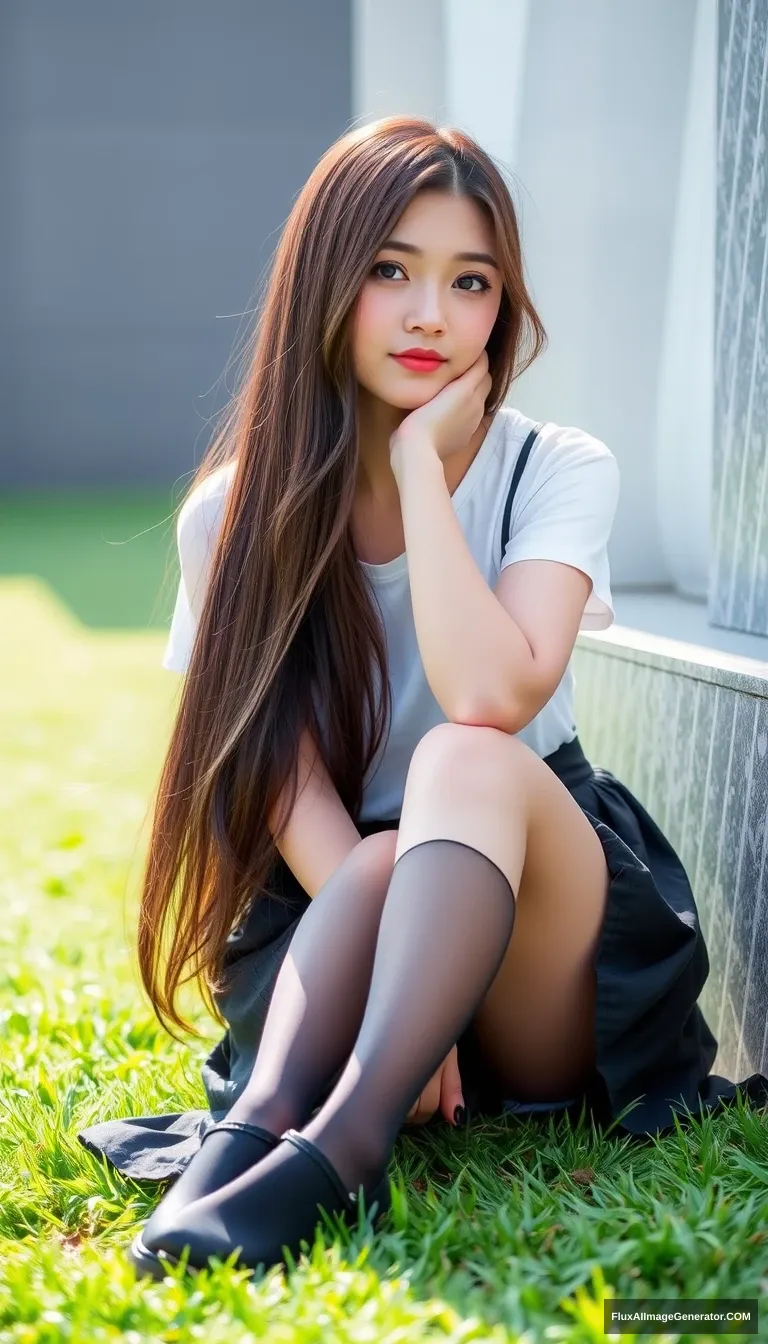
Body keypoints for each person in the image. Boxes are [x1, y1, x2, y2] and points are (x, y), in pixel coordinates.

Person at [77, 115, 768, 1281]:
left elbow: (493, 693)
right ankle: (252, 1141)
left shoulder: (559, 468)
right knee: (390, 859)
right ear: (325, 280)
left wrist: (417, 475)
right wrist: (407, 981)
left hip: (541, 935)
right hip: (348, 909)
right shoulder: (232, 517)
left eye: (471, 282)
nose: (431, 316)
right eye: (391, 270)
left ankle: (338, 1148)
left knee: (466, 759)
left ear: (504, 308)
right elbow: (280, 781)